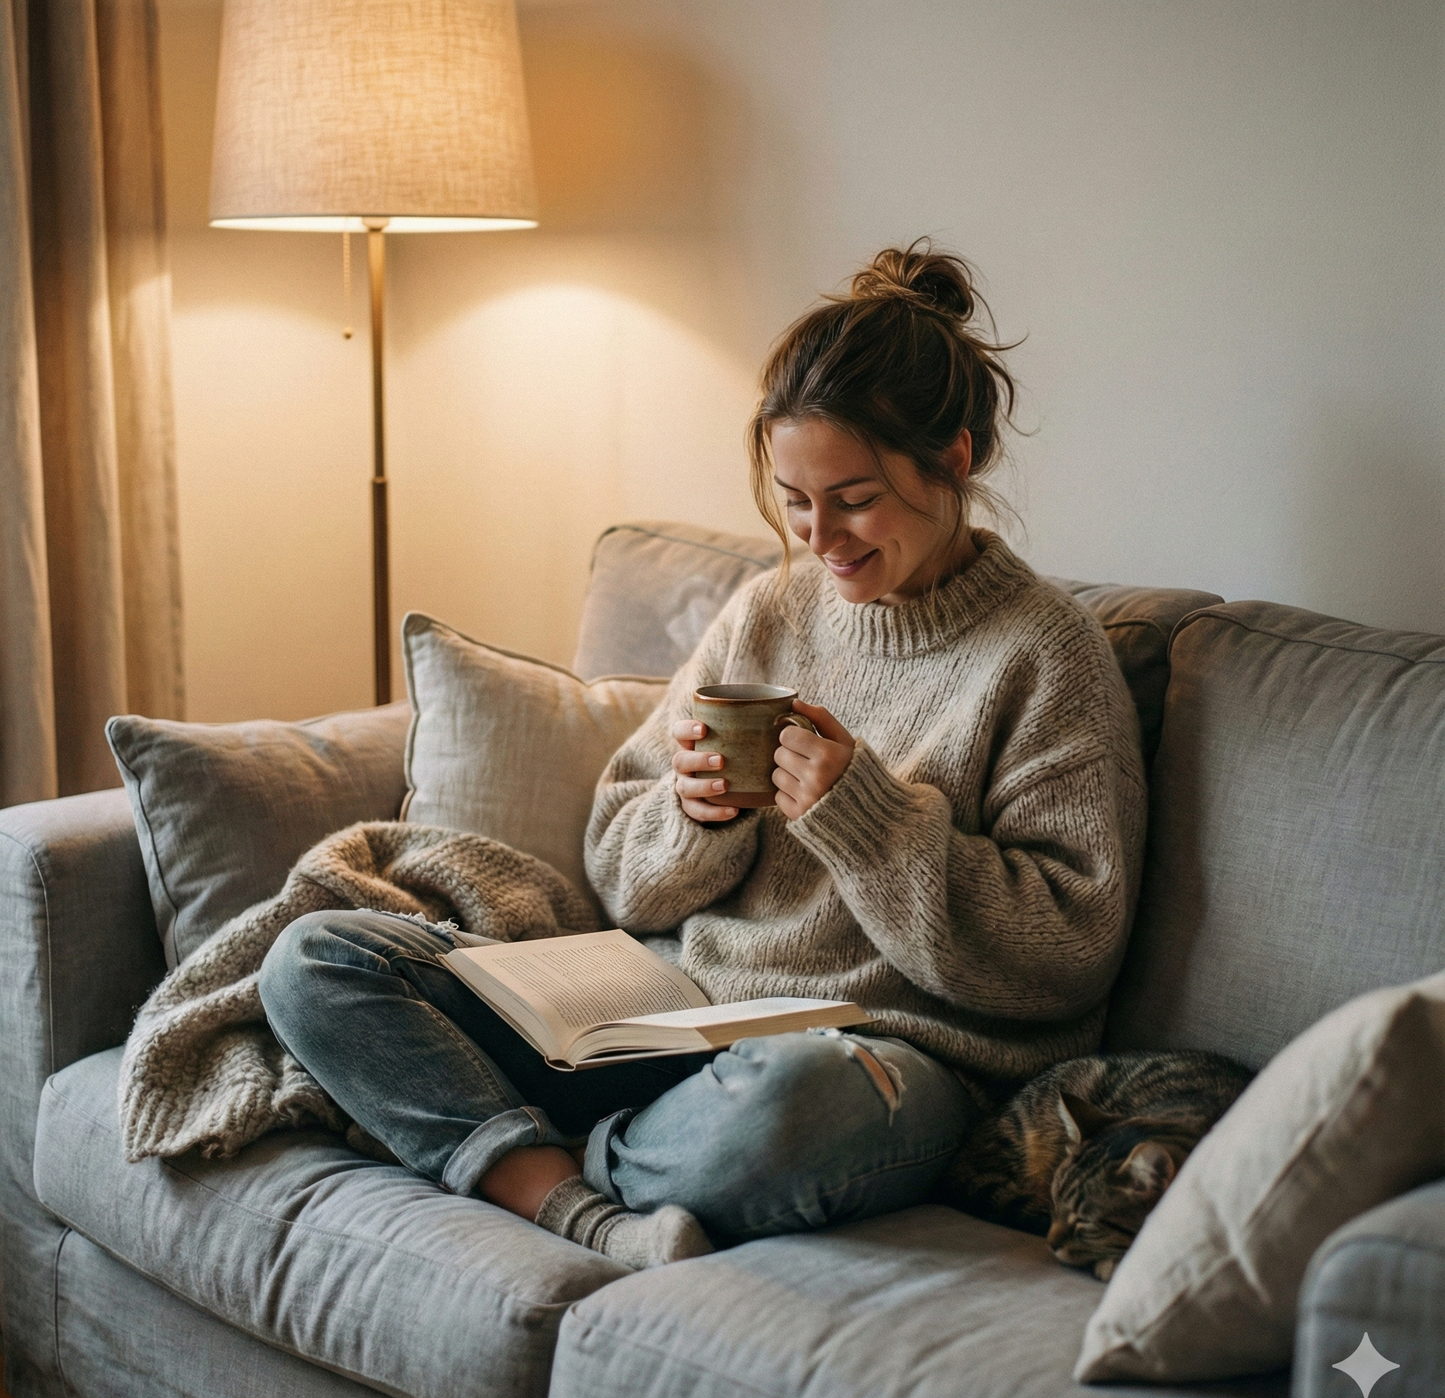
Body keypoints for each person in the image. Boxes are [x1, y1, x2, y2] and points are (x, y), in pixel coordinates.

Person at [259, 242, 1147, 1269]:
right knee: (319, 957)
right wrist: (694, 815)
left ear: (951, 458)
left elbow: (1063, 956)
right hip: (675, 1011)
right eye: (793, 499)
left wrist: (866, 816)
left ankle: (507, 1146)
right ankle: (573, 1194)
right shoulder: (771, 608)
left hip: (877, 1054)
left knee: (784, 1110)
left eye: (852, 497)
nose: (821, 535)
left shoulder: (1045, 656)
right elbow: (622, 874)